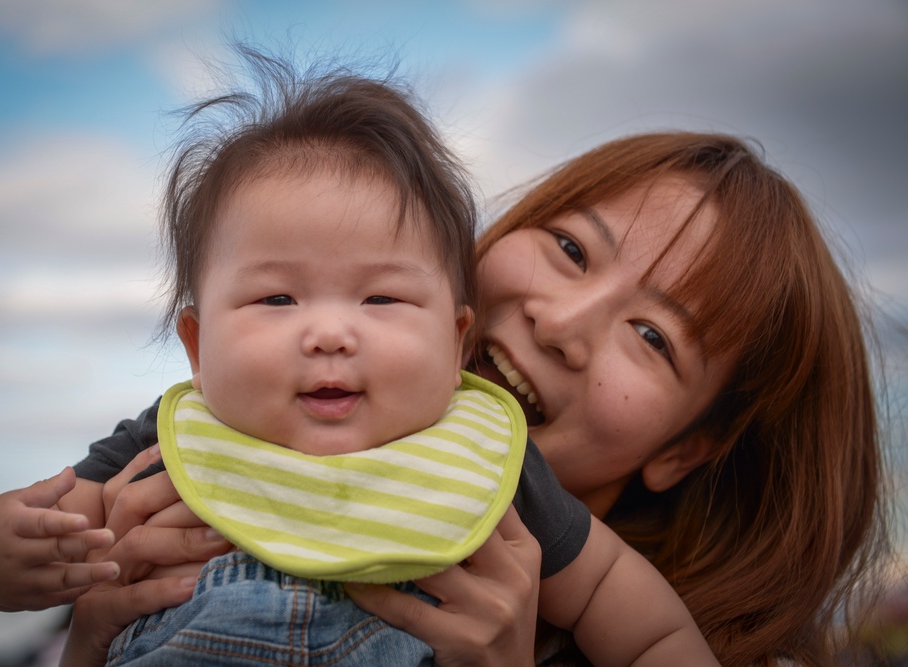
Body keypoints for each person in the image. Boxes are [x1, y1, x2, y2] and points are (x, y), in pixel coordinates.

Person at [0, 51, 718, 667]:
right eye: (277, 300)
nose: (328, 333)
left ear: (456, 342)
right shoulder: (168, 441)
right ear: (198, 346)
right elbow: (3, 549)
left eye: (380, 300)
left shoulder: (492, 466)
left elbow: (630, 609)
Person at [57, 129, 889, 667]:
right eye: (569, 248)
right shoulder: (201, 436)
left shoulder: (578, 558)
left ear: (683, 449)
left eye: (654, 338)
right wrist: (93, 641)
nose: (562, 323)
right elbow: (26, 530)